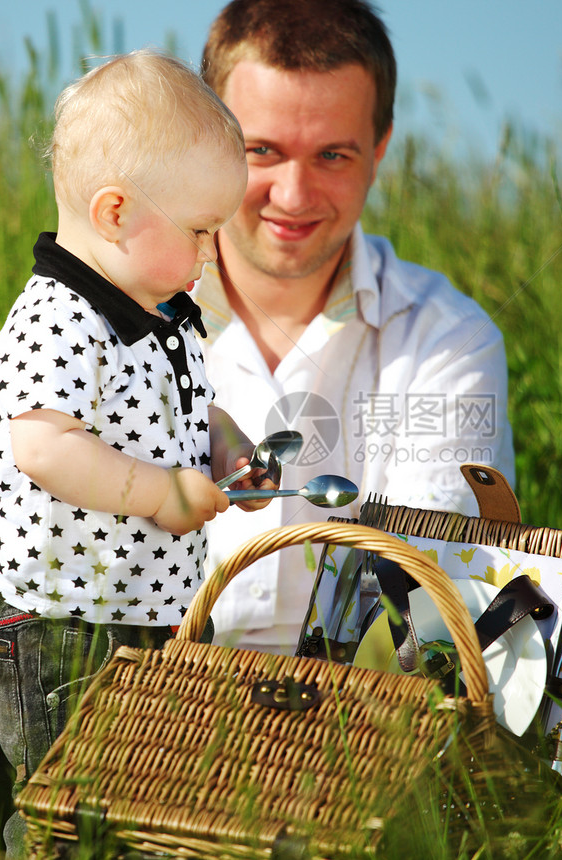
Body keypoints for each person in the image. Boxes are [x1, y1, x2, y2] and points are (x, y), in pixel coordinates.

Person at [0, 50, 274, 857]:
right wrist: (160, 495)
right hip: (64, 622)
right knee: (65, 817)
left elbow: (181, 408)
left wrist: (227, 449)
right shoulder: (61, 320)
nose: (214, 254)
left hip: (145, 615)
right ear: (115, 213)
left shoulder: (163, 313)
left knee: (146, 813)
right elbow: (41, 444)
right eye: (203, 231)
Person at [193, 0, 516, 655]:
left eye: (333, 156)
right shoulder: (108, 320)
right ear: (206, 137)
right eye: (262, 150)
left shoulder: (449, 342)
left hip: (358, 734)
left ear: (379, 149)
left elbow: (421, 613)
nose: (293, 194)